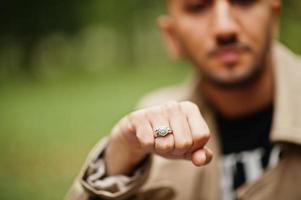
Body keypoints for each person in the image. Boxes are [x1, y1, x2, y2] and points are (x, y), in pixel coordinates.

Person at [66, 0, 301, 199]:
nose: (224, 27)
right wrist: (116, 166)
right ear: (172, 37)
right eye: (197, 7)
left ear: (273, 17)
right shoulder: (149, 136)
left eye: (244, 1)